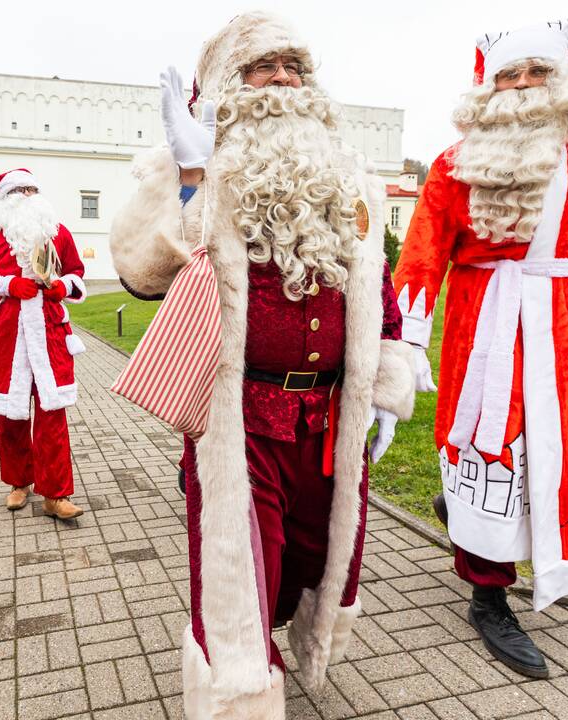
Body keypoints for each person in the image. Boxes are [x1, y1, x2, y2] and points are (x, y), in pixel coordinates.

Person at [110, 12, 415, 717]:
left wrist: (387, 378)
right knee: (239, 578)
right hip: (238, 417)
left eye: (293, 67)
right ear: (227, 83)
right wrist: (188, 177)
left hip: (330, 418)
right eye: (263, 67)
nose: (282, 80)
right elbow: (143, 273)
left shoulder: (352, 180)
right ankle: (240, 693)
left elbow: (378, 286)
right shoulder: (195, 166)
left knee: (312, 561)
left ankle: (274, 656)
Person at [394, 19, 568, 679]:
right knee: (493, 455)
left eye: (537, 71)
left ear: (562, 77)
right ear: (487, 86)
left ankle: (511, 542)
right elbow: (423, 252)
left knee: (564, 455)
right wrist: (406, 338)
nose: (522, 85)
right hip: (484, 333)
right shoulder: (454, 163)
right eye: (509, 74)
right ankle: (488, 595)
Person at [0, 168, 88, 520]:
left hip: (49, 336)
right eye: (20, 190)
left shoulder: (57, 233)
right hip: (6, 339)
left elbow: (77, 273)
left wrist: (62, 287)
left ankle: (56, 493)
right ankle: (19, 482)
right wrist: (4, 286)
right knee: (10, 416)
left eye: (33, 189)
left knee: (52, 417)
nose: (28, 195)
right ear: (5, 198)